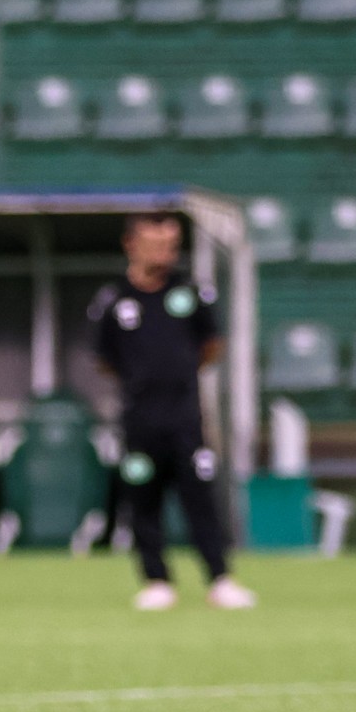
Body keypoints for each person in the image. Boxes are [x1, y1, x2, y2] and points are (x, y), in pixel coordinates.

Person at [89, 213, 257, 612]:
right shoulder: (113, 300)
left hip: (186, 419)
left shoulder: (190, 294)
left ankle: (220, 579)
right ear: (131, 244)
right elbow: (104, 359)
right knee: (142, 499)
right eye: (156, 242)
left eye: (171, 243)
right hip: (139, 421)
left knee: (200, 497)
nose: (166, 251)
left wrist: (176, 376)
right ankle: (156, 581)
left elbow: (211, 345)